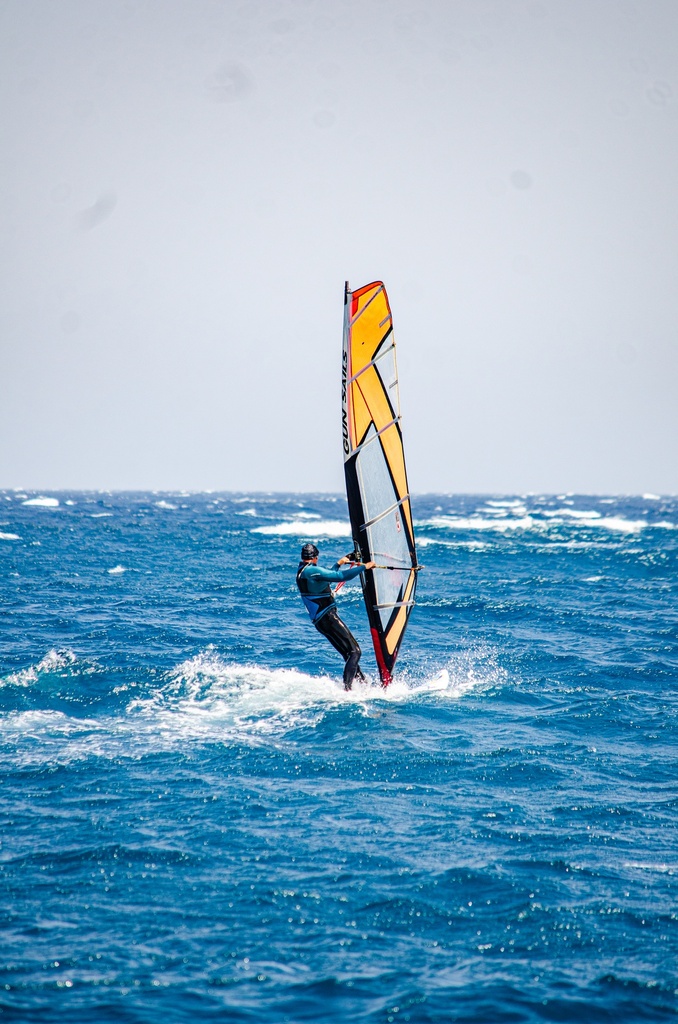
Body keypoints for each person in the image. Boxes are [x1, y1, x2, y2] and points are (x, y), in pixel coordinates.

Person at [296, 542, 376, 690]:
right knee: (355, 651)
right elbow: (339, 577)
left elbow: (326, 576)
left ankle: (364, 685)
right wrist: (365, 566)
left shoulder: (303, 571)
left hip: (321, 621)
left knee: (348, 654)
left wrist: (339, 563)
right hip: (328, 618)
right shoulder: (311, 572)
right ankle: (347, 690)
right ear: (316, 558)